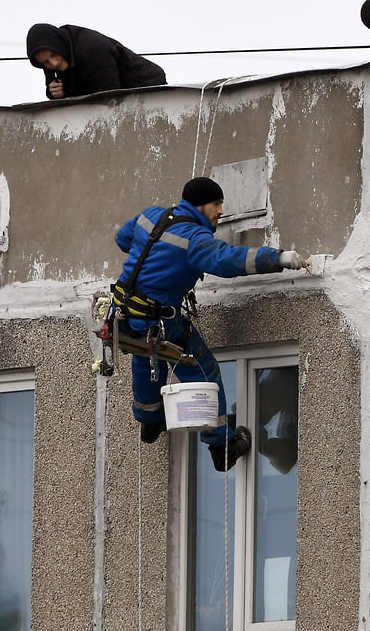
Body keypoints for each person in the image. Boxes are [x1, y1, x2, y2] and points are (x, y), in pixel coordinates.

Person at [113, 177, 306, 471]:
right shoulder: (194, 238)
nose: (220, 212)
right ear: (201, 205)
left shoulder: (150, 215)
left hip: (124, 315)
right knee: (202, 368)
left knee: (146, 357)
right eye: (217, 205)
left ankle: (150, 422)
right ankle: (221, 446)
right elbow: (228, 260)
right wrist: (278, 258)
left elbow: (123, 239)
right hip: (158, 318)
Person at [26, 23, 167, 100]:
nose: (54, 63)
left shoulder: (91, 47)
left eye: (53, 55)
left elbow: (108, 95)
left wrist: (68, 89)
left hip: (150, 88)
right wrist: (55, 93)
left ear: (58, 44)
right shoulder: (49, 58)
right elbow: (60, 97)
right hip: (118, 97)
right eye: (46, 63)